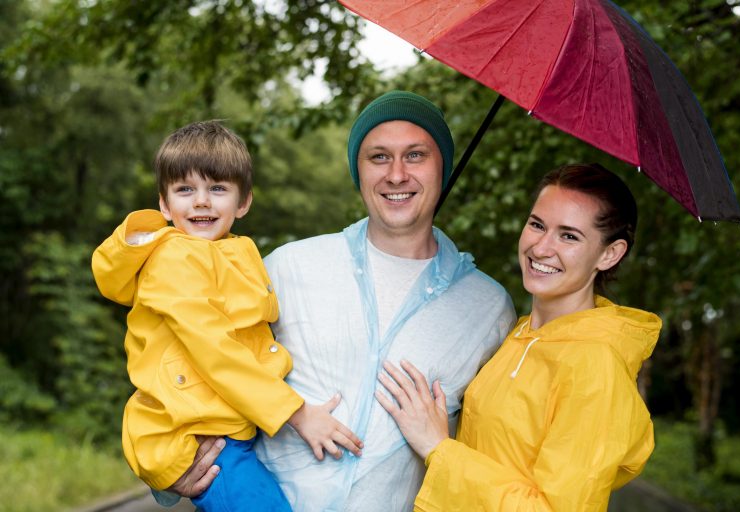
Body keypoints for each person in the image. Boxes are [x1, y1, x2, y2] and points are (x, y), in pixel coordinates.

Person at [147, 91, 516, 511]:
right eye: (378, 157)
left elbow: (489, 451)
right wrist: (170, 471)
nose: (397, 175)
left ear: (443, 170)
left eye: (415, 156)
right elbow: (183, 351)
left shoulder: (489, 308)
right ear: (357, 171)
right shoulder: (286, 268)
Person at [91, 121, 362, 512]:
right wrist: (296, 413)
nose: (201, 201)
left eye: (217, 188)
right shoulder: (174, 258)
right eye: (185, 190)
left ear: (244, 201)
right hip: (195, 432)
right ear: (164, 205)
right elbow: (213, 347)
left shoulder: (236, 251)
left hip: (226, 426)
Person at [377, 163, 662, 511]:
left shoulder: (596, 365)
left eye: (569, 236)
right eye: (537, 225)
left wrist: (439, 449)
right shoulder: (520, 333)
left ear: (609, 254)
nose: (541, 248)